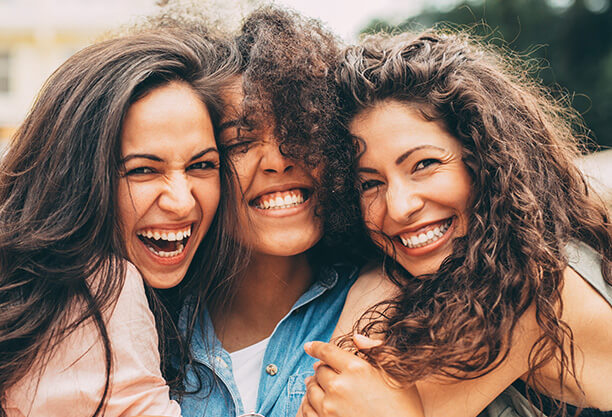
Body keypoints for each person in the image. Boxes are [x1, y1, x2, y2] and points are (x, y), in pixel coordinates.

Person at [300, 30, 612, 417]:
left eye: (425, 165)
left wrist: (372, 283)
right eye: (369, 183)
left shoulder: (530, 289)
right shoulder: (497, 264)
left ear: (488, 161)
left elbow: (333, 402)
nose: (398, 208)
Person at [0, 28, 241, 417]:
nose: (181, 202)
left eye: (202, 165)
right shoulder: (102, 287)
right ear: (77, 177)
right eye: (143, 170)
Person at [177, 7, 361, 417]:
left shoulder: (383, 310)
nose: (278, 160)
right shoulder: (153, 327)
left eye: (300, 131)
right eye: (241, 141)